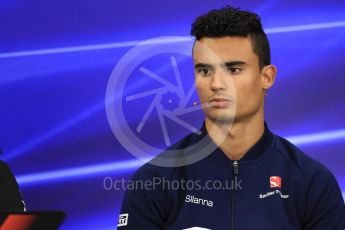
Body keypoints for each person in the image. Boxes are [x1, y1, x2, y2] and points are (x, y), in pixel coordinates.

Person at [117, 6, 345, 229]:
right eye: (205, 71)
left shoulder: (312, 184)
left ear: (267, 77)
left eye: (233, 69)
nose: (216, 84)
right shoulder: (154, 182)